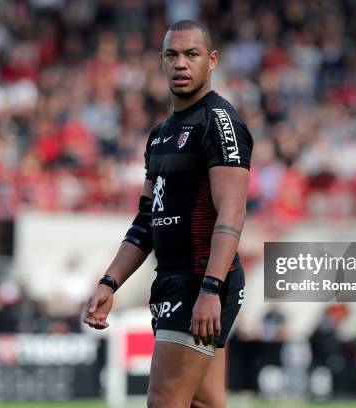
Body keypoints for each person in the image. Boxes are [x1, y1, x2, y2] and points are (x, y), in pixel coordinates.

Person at [83, 19, 253, 408]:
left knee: (164, 400)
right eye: (173, 55)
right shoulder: (160, 134)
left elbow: (233, 212)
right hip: (172, 279)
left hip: (201, 280)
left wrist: (210, 289)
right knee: (202, 402)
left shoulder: (219, 122)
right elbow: (146, 220)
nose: (181, 63)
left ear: (211, 60)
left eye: (191, 55)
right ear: (160, 61)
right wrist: (109, 282)